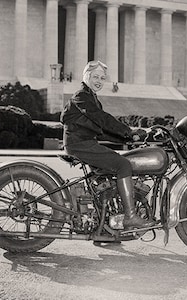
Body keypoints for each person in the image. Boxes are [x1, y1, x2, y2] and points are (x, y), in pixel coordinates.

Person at [60, 60, 155, 229]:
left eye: (102, 78)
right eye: (95, 76)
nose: (99, 81)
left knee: (109, 174)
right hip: (80, 145)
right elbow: (103, 120)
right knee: (123, 165)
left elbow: (102, 130)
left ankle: (104, 226)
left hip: (84, 143)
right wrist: (128, 131)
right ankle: (130, 216)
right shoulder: (82, 96)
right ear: (86, 76)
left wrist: (129, 139)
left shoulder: (92, 98)